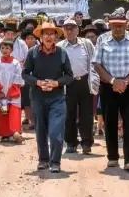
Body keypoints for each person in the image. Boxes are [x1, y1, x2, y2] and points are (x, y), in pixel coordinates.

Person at [91, 17, 129, 172]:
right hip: (108, 87)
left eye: (121, 26)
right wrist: (113, 81)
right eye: (115, 26)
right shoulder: (102, 39)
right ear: (110, 25)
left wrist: (126, 82)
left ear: (126, 26)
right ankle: (113, 157)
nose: (118, 29)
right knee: (110, 122)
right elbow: (96, 64)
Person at [22, 21, 74, 172]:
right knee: (41, 130)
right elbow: (25, 74)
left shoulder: (62, 53)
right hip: (38, 97)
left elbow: (69, 75)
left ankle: (55, 162)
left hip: (57, 97)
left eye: (52, 34)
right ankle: (43, 160)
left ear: (56, 37)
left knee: (55, 131)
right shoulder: (32, 53)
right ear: (41, 37)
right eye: (46, 34)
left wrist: (56, 83)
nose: (49, 37)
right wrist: (37, 82)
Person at [57, 17, 97, 155]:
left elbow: (94, 62)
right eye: (66, 28)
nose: (69, 30)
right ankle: (71, 142)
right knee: (69, 114)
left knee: (87, 114)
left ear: (77, 30)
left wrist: (94, 81)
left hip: (85, 81)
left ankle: (86, 142)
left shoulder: (86, 44)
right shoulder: (60, 46)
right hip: (68, 83)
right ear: (63, 31)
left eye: (72, 28)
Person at [0, 38, 25, 143]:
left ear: (11, 50)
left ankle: (15, 132)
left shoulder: (16, 63)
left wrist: (12, 92)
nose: (4, 50)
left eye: (7, 48)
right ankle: (3, 133)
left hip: (12, 91)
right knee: (2, 110)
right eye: (2, 48)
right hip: (1, 91)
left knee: (14, 110)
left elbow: (18, 77)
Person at [19, 22, 38, 129]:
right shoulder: (22, 48)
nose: (30, 40)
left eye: (32, 38)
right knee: (26, 99)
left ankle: (35, 119)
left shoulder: (38, 49)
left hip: (36, 76)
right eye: (28, 38)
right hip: (25, 76)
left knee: (34, 99)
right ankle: (29, 118)